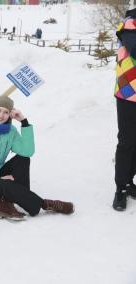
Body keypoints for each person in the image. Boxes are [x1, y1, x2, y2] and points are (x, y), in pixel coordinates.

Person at [0, 96, 74, 220]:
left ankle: (5, 206)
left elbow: (27, 152)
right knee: (4, 184)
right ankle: (44, 204)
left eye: (6, 112)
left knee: (23, 159)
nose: (1, 115)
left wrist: (24, 122)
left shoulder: (10, 131)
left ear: (10, 115)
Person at [112, 8, 136, 211]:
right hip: (128, 93)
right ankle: (120, 188)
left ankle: (129, 181)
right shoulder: (130, 25)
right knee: (127, 141)